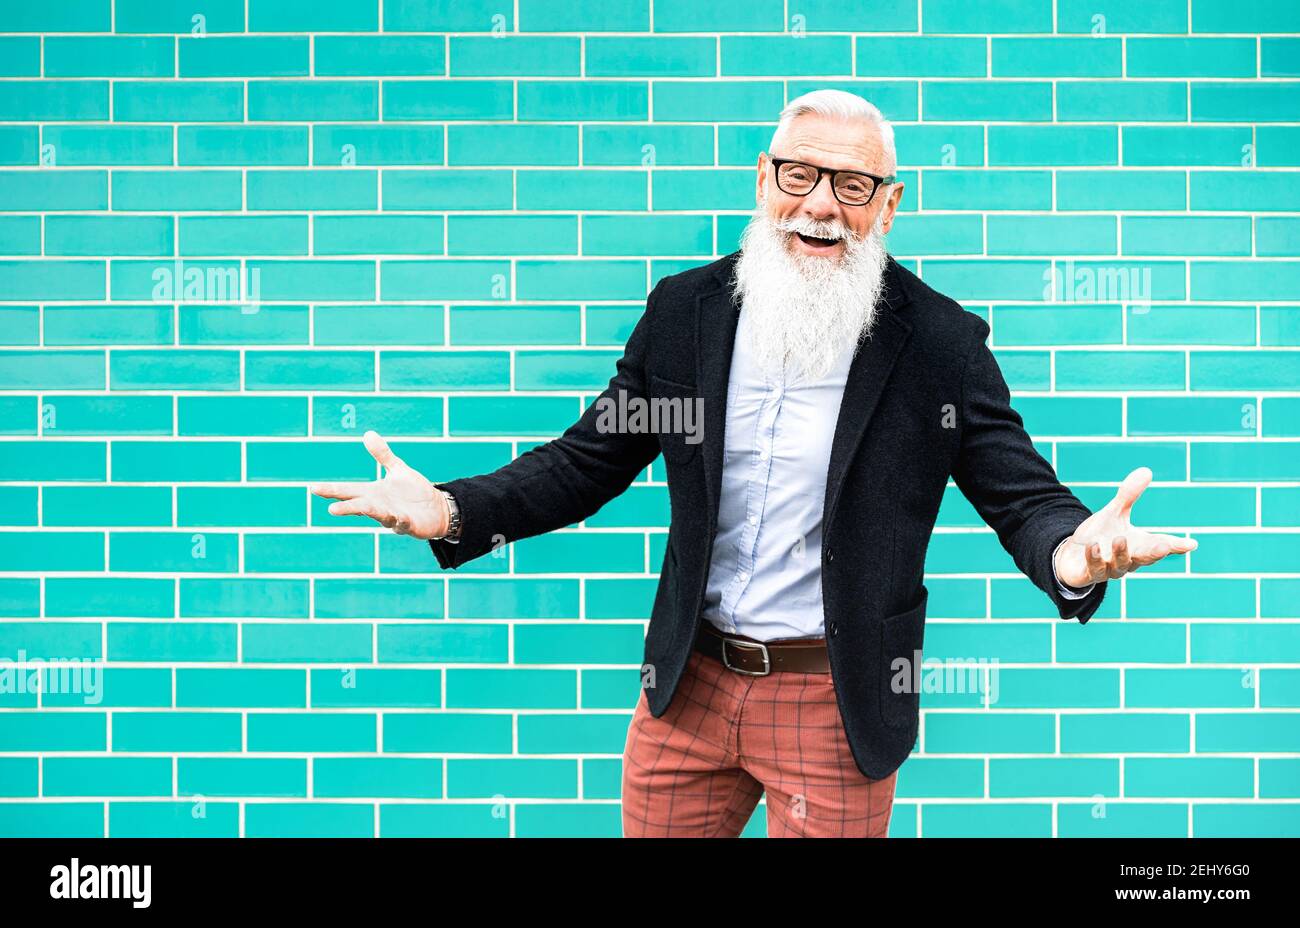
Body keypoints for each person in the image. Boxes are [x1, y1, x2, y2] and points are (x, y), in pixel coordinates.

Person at [310, 89, 1198, 838]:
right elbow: (590, 459)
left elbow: (1021, 494)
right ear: (765, 180)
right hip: (687, 690)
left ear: (888, 205)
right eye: (801, 175)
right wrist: (453, 510)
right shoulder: (685, 311)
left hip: (833, 696)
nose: (821, 204)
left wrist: (1073, 554)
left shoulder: (939, 345)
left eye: (852, 185)